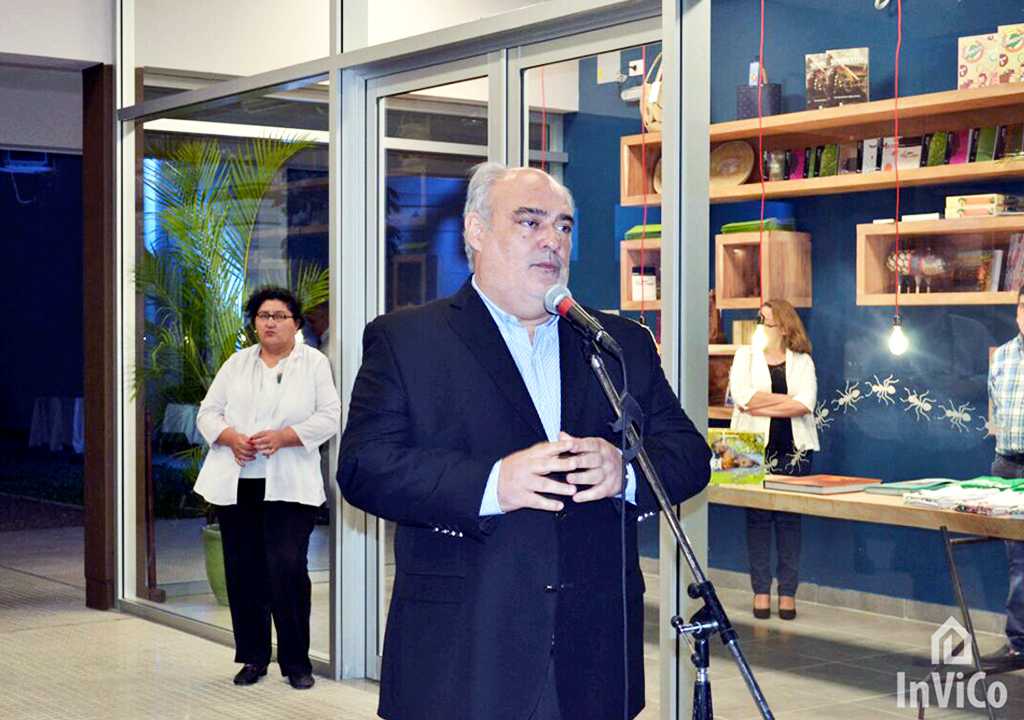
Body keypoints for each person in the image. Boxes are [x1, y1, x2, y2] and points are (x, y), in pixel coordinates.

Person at [338, 163, 710, 720]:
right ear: (476, 230)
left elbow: (689, 455)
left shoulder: (617, 343)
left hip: (594, 658)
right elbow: (364, 466)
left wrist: (626, 472)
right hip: (463, 655)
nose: (552, 240)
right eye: (530, 222)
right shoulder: (407, 339)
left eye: (563, 226)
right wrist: (492, 484)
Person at [194, 286, 340, 689]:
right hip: (238, 484)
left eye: (279, 316)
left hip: (290, 485)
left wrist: (285, 437)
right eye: (263, 316)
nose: (270, 323)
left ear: (296, 323)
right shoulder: (237, 364)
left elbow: (330, 417)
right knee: (244, 571)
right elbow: (207, 413)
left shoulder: (313, 364)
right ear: (254, 323)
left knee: (287, 567)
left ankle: (296, 662)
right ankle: (254, 657)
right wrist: (229, 437)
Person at [728, 299, 818, 621]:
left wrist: (762, 404)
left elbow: (805, 404)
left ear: (783, 327)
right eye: (758, 319)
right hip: (749, 446)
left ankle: (788, 592)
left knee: (790, 519)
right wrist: (786, 400)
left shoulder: (802, 361)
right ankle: (761, 591)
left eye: (765, 321)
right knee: (757, 520)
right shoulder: (745, 355)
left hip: (794, 447)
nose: (760, 326)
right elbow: (743, 398)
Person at [981, 286, 1024, 671]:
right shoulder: (1004, 356)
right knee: (1018, 562)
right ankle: (1019, 644)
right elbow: (997, 409)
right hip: (1008, 466)